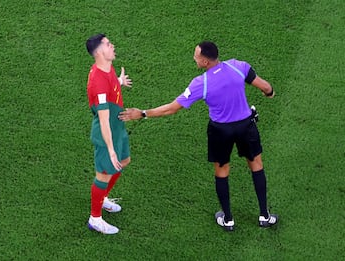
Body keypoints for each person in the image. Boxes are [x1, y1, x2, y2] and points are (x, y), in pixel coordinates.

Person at [119, 41, 278, 231]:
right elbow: (265, 87)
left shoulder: (200, 84)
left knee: (222, 171)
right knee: (256, 166)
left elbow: (171, 108)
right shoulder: (238, 66)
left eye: (196, 56)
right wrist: (269, 93)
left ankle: (228, 219)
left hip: (221, 132)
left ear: (204, 62)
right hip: (246, 127)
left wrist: (143, 113)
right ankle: (264, 216)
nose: (194, 58)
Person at [85, 33, 132, 234]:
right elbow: (103, 119)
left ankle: (102, 197)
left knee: (125, 161)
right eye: (108, 44)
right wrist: (111, 149)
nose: (112, 45)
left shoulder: (107, 68)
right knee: (104, 173)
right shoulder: (98, 81)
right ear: (98, 52)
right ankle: (95, 218)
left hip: (117, 126)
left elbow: (109, 84)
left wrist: (119, 81)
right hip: (107, 133)